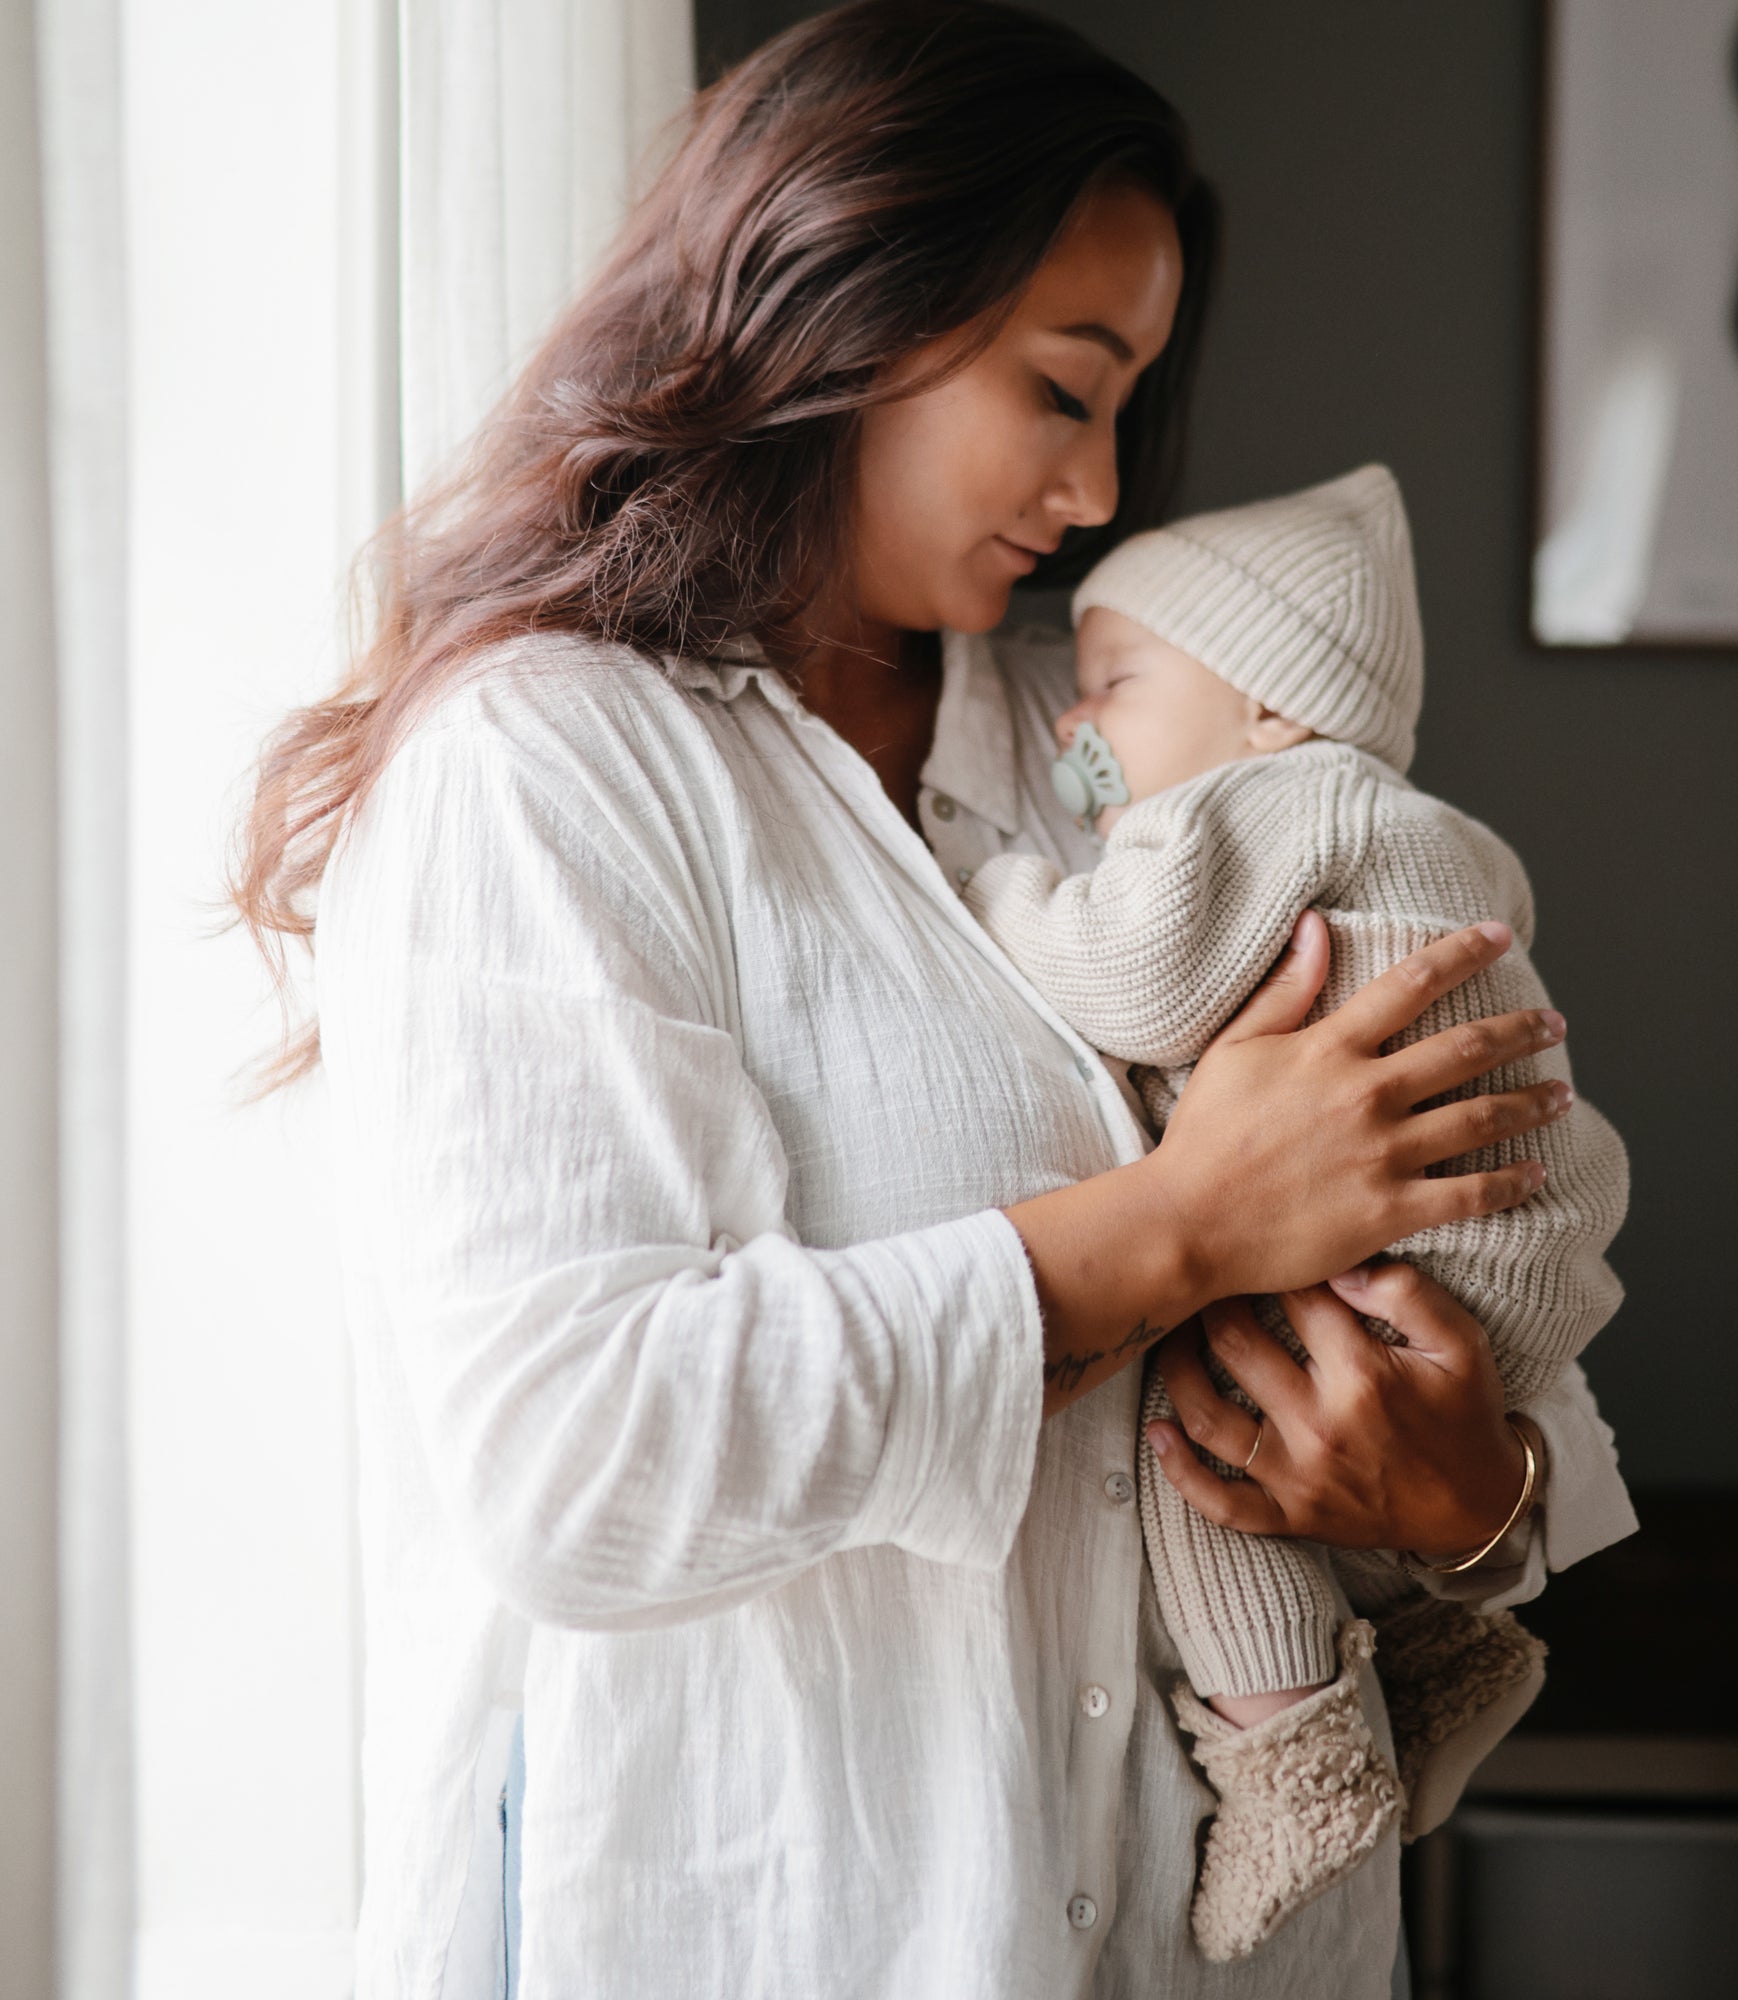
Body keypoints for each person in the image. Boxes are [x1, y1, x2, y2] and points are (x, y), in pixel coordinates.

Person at [232, 5, 1637, 1994]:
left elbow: (1453, 1261)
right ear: (844, 299)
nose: (1099, 489)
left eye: (1126, 411)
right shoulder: (547, 768)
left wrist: (1474, 1503)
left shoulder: (1129, 740)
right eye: (1062, 392)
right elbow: (579, 1462)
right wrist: (1181, 1226)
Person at [963, 464, 1630, 1958]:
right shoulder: (1412, 823)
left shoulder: (1262, 803)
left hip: (1408, 1252)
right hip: (1499, 1261)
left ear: (1268, 707)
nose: (1077, 726)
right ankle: (1441, 1657)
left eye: (1116, 683)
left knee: (1192, 1456)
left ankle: (1295, 1761)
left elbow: (1132, 978)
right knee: (1288, 1456)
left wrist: (998, 893)